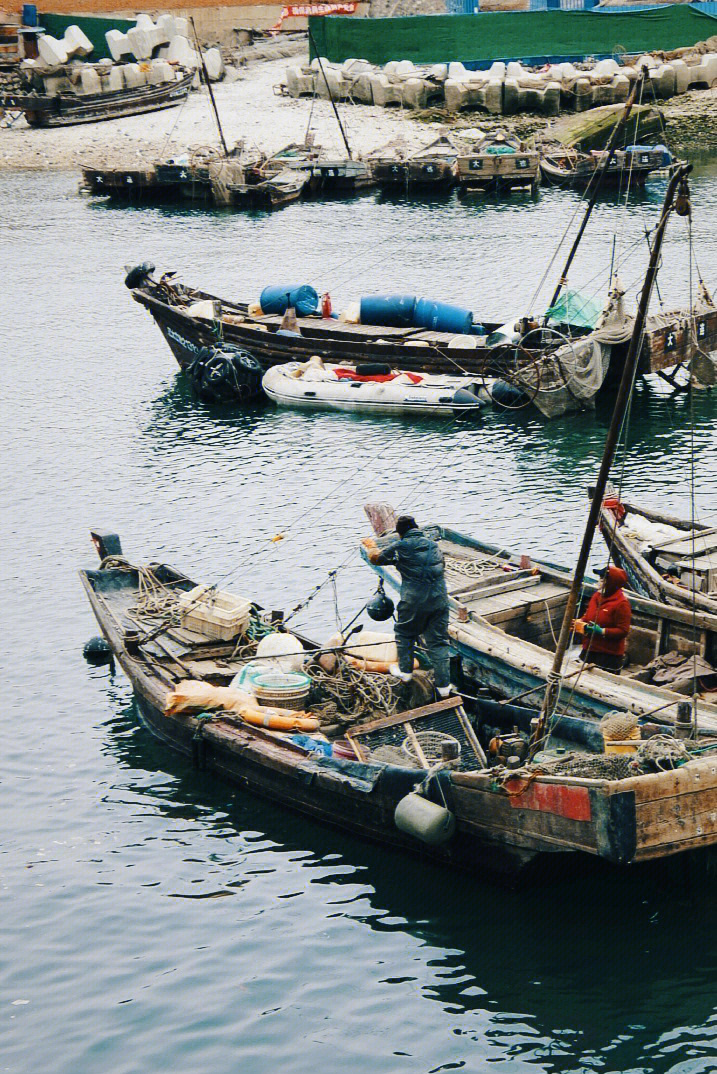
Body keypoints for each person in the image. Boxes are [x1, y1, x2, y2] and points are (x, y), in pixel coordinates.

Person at [362, 515, 453, 697]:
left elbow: (376, 558)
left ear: (401, 533)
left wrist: (370, 545)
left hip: (414, 600)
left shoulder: (401, 546)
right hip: (440, 600)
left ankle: (405, 673)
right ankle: (444, 688)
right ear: (417, 528)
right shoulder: (433, 545)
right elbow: (440, 564)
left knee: (405, 633)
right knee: (438, 642)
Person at [575, 565, 632, 672]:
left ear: (610, 583)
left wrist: (601, 631)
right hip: (589, 648)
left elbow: (623, 631)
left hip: (608, 655)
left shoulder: (622, 604)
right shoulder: (596, 596)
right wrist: (581, 622)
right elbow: (588, 615)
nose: (599, 581)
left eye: (602, 579)